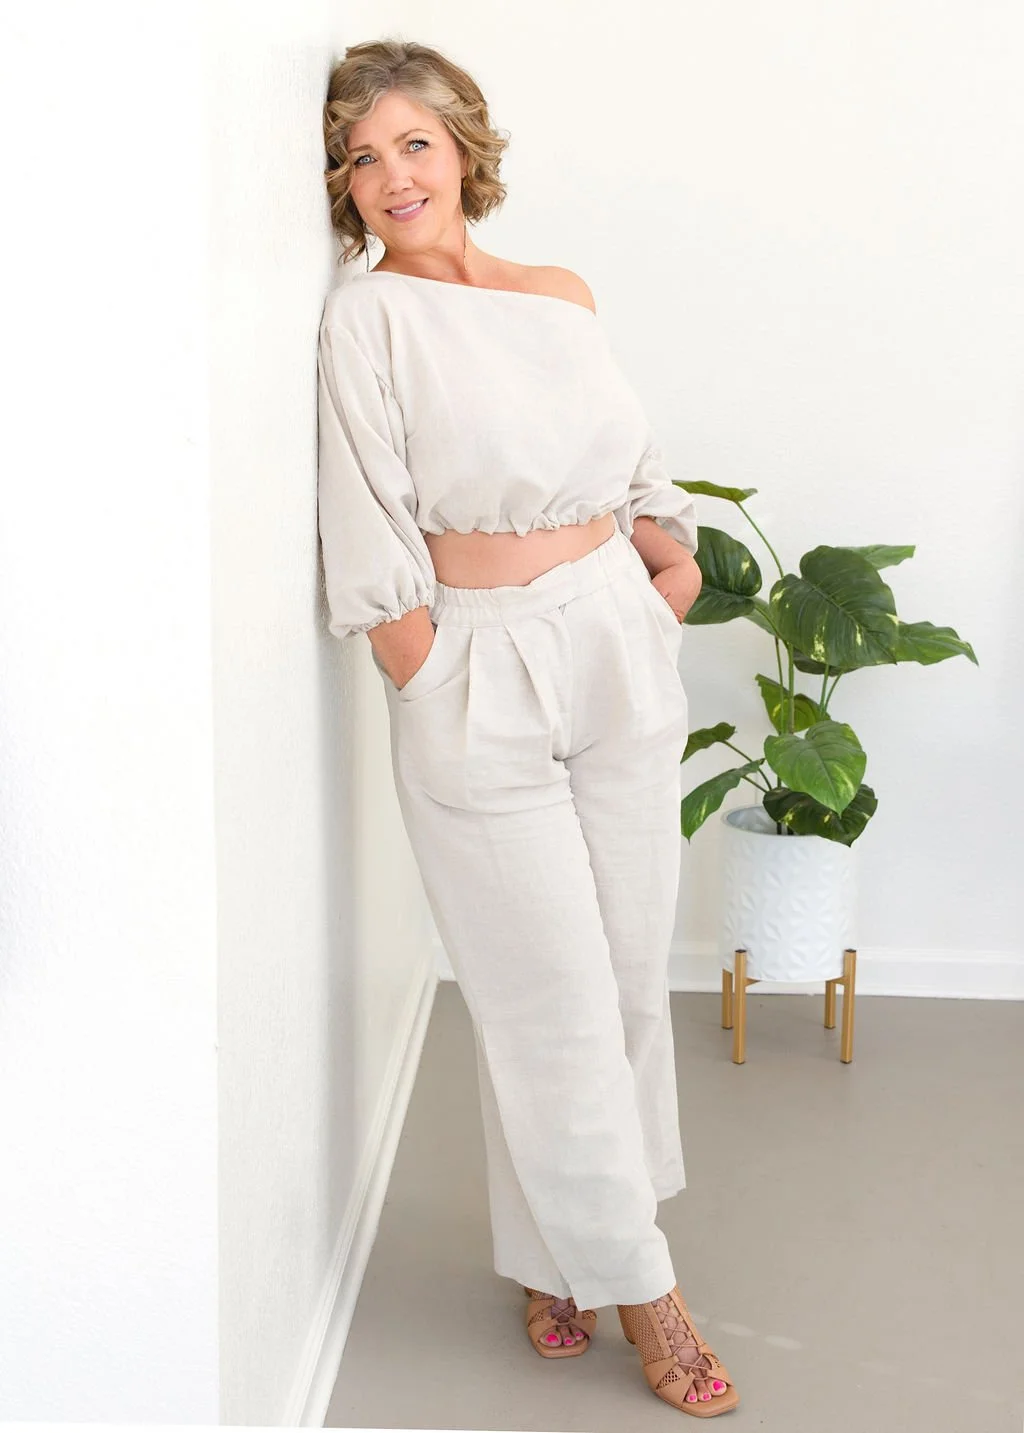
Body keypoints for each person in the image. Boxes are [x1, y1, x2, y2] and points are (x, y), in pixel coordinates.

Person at [317, 37, 740, 1419]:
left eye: (411, 145)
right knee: (544, 1001)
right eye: (362, 157)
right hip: (476, 668)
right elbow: (366, 515)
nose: (391, 178)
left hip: (616, 638)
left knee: (616, 984)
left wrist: (664, 556)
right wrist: (422, 664)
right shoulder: (365, 320)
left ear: (463, 146)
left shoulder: (560, 296)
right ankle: (646, 1288)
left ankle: (554, 1250)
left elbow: (625, 455)